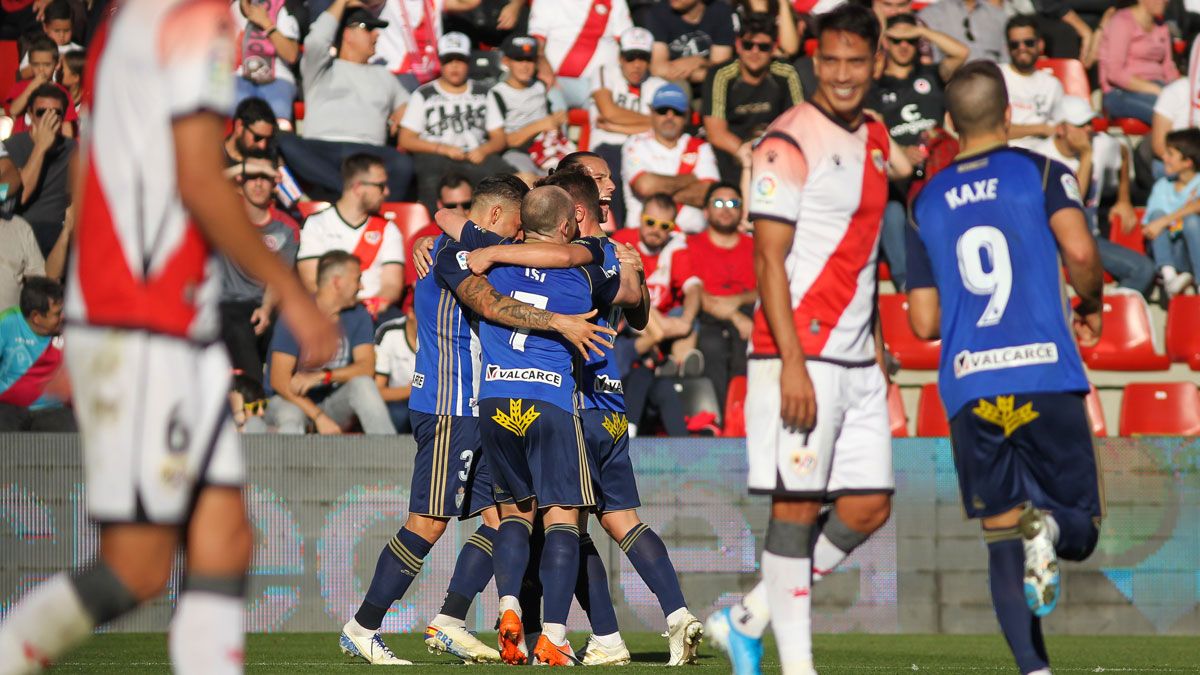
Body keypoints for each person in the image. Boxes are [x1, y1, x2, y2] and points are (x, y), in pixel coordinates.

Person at [0, 1, 337, 671]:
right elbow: (198, 178)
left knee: (225, 539)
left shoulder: (126, 21)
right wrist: (293, 288)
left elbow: (101, 173)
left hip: (152, 320)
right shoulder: (193, 15)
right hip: (146, 323)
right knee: (139, 567)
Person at [342, 175, 614, 665]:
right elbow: (492, 301)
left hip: (481, 408)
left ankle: (449, 619)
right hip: (452, 405)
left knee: (503, 517)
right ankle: (363, 626)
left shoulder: (459, 246)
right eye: (513, 228)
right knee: (427, 522)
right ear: (491, 218)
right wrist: (560, 322)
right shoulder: (455, 254)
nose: (518, 240)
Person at [705, 6, 902, 675]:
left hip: (857, 355)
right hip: (801, 354)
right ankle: (798, 667)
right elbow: (768, 262)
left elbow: (865, 251)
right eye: (833, 60)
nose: (844, 75)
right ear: (816, 60)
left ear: (877, 62)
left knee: (871, 503)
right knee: (796, 504)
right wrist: (790, 362)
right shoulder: (785, 142)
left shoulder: (876, 135)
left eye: (857, 61)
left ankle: (747, 617)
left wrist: (874, 339)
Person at [906, 60, 1105, 675]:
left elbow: (923, 321)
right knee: (1080, 528)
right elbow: (1078, 251)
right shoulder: (1044, 171)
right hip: (1044, 374)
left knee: (999, 534)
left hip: (972, 384)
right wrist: (1091, 302)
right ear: (1009, 114)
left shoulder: (925, 200)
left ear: (949, 123)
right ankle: (1048, 525)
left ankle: (1033, 670)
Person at [475, 185, 621, 666]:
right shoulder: (586, 264)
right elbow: (631, 294)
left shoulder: (491, 261)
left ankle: (509, 604)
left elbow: (447, 220)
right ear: (565, 226)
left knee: (515, 514)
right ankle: (554, 636)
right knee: (563, 519)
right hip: (550, 400)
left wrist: (493, 249)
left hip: (496, 397)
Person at [869, 13, 968, 292]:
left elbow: (962, 53)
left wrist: (924, 32)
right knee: (889, 209)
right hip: (898, 176)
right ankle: (905, 284)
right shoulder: (875, 88)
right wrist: (900, 152)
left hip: (938, 172)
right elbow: (872, 134)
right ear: (886, 42)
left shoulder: (932, 75)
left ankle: (954, 277)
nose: (903, 46)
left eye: (910, 41)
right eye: (897, 40)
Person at [276, 0, 413, 201]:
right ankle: (348, 192)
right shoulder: (320, 68)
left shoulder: (385, 76)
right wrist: (342, 1)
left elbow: (409, 112)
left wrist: (401, 119)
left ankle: (365, 203)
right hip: (320, 151)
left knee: (403, 164)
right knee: (281, 139)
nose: (377, 35)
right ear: (347, 34)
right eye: (369, 29)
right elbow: (316, 41)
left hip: (368, 154)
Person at [1030, 97, 1155, 297]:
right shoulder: (1040, 158)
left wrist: (1124, 199)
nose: (1088, 129)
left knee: (1144, 269)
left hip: (1089, 238)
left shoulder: (1101, 144)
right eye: (1081, 125)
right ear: (1061, 129)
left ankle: (1109, 312)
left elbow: (1122, 151)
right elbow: (1072, 200)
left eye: (1090, 123)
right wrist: (1087, 157)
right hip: (1051, 241)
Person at [266, 250, 395, 435]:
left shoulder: (358, 314)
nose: (361, 286)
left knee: (363, 385)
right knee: (290, 415)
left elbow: (366, 367)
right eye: (357, 279)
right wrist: (318, 417)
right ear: (337, 282)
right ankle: (291, 463)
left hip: (332, 402)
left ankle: (389, 458)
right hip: (290, 400)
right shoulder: (296, 314)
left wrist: (322, 376)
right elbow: (279, 381)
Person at [400, 31, 515, 213]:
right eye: (448, 60)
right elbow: (406, 139)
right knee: (430, 175)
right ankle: (433, 226)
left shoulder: (483, 92)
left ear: (468, 61)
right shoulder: (424, 94)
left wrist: (483, 150)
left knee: (508, 178)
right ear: (440, 62)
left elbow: (499, 138)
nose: (454, 66)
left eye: (459, 59)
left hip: (474, 155)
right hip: (435, 156)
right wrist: (443, 149)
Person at [217, 157, 300, 386]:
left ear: (275, 184)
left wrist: (265, 307)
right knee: (238, 323)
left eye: (265, 178)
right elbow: (200, 186)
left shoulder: (286, 228)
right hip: (226, 302)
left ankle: (268, 395)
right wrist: (243, 168)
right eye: (252, 177)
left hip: (265, 302)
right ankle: (254, 397)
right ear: (240, 182)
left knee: (282, 325)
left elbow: (279, 277)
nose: (258, 184)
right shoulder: (225, 216)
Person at [297, 154, 405, 321]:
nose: (387, 192)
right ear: (358, 187)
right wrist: (342, 308)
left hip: (373, 313)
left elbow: (392, 285)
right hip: (327, 313)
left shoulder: (389, 229)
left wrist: (367, 308)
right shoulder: (316, 223)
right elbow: (311, 281)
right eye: (381, 186)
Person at [702, 13, 803, 184]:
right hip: (733, 154)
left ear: (773, 47)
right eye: (748, 45)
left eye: (763, 47)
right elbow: (716, 133)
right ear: (738, 45)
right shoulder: (721, 75)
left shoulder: (786, 73)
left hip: (775, 154)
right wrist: (751, 156)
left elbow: (799, 124)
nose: (755, 52)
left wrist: (768, 156)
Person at [588, 26, 669, 229]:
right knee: (611, 177)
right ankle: (622, 233)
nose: (637, 64)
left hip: (644, 147)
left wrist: (616, 125)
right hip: (607, 146)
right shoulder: (604, 72)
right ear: (620, 57)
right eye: (630, 57)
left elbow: (665, 126)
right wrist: (648, 122)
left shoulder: (658, 84)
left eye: (643, 58)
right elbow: (608, 112)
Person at [688, 181, 755, 414]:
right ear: (705, 211)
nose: (726, 209)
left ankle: (743, 418)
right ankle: (714, 422)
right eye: (718, 203)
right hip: (706, 316)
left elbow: (766, 288)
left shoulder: (755, 246)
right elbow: (694, 291)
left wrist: (738, 301)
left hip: (749, 314)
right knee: (712, 345)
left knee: (750, 345)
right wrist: (734, 314)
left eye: (733, 203)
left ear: (741, 211)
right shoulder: (690, 245)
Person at [622, 83, 719, 233]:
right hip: (643, 237)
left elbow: (709, 196)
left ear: (687, 115)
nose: (670, 116)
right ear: (651, 112)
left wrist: (659, 189)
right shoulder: (635, 143)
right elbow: (644, 186)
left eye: (677, 112)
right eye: (662, 111)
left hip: (690, 239)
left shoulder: (700, 146)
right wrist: (691, 178)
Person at [5, 83, 76, 258]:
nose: (48, 118)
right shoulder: (10, 147)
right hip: (19, 234)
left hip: (56, 236)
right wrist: (41, 147)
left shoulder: (74, 150)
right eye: (41, 112)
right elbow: (20, 196)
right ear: (30, 114)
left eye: (56, 113)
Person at [528, 0, 634, 108]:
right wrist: (542, 63)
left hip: (602, 85)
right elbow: (536, 40)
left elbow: (629, 42)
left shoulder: (615, 2)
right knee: (550, 108)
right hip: (557, 82)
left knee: (611, 115)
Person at [0, 276, 73, 432]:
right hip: (8, 410)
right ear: (36, 317)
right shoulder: (8, 322)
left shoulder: (70, 329)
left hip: (55, 411)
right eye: (57, 313)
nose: (63, 317)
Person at [489, 34, 569, 176]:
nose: (525, 66)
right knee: (526, 179)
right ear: (506, 61)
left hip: (547, 149)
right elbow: (503, 141)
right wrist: (543, 124)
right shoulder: (497, 93)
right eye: (519, 59)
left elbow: (554, 122)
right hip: (517, 152)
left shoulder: (541, 86)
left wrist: (557, 120)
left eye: (530, 60)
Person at [1098, 0, 1179, 125]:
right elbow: (1115, 73)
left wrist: (1180, 90)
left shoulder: (1161, 26)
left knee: (1185, 110)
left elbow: (1168, 66)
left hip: (1158, 87)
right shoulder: (1122, 21)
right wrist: (1157, 90)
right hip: (1121, 92)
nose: (1165, 1)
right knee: (1168, 117)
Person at [1142, 129, 1200, 297]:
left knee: (1192, 221)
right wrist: (1161, 221)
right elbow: (1151, 226)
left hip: (1193, 251)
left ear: (1187, 162)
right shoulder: (1162, 185)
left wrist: (1166, 220)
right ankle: (1169, 277)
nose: (1164, 158)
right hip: (1172, 252)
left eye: (1170, 154)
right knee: (1157, 215)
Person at [230, 0, 302, 124]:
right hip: (240, 76)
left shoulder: (283, 8)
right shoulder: (232, 8)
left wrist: (266, 23)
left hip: (277, 77)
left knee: (278, 110)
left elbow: (291, 55)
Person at [1002, 15, 1066, 151]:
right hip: (1006, 151)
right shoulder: (996, 76)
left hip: (1044, 154)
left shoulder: (1052, 84)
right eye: (1015, 44)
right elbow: (994, 131)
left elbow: (1060, 129)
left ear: (1040, 44)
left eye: (1029, 42)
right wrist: (1040, 128)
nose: (1022, 48)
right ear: (1007, 48)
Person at [646, 0, 735, 87]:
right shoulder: (659, 12)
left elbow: (722, 69)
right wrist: (691, 72)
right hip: (674, 86)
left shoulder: (720, 11)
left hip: (710, 88)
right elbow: (657, 69)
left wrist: (700, 61)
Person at [5, 35, 80, 138]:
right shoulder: (21, 87)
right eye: (36, 64)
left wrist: (68, 147)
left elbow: (67, 125)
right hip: (23, 143)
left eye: (47, 64)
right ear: (30, 64)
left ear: (57, 64)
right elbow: (13, 111)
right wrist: (32, 86)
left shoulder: (62, 92)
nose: (41, 69)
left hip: (51, 144)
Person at [918, 0, 1008, 64]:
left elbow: (1006, 58)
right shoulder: (930, 15)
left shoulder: (998, 16)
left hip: (994, 84)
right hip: (951, 85)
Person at [373, 308, 417, 433]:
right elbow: (376, 392)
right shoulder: (389, 333)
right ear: (411, 313)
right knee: (399, 414)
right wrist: (412, 391)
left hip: (433, 403)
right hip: (399, 403)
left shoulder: (443, 334)